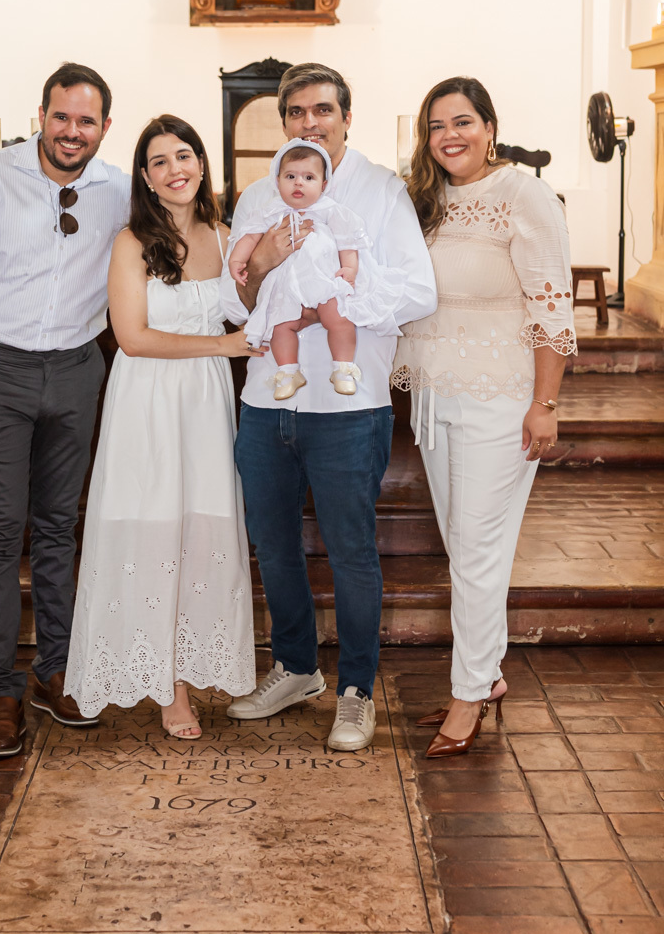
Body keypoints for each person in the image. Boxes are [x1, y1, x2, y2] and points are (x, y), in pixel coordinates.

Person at [0, 62, 130, 758]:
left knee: (60, 530)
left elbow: (172, 252)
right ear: (41, 115)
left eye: (86, 120)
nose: (72, 132)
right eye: (62, 117)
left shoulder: (118, 193)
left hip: (74, 371)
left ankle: (55, 671)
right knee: (2, 533)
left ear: (104, 127)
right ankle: (2, 690)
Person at [221, 63, 436, 751]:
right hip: (265, 400)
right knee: (275, 548)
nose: (308, 122)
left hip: (349, 406)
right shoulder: (261, 192)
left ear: (347, 117)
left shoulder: (378, 192)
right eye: (295, 113)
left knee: (350, 552)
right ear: (281, 121)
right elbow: (233, 298)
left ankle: (355, 690)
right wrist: (267, 265)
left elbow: (416, 291)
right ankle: (293, 669)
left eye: (322, 110)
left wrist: (327, 308)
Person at [392, 76, 576, 758]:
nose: (450, 136)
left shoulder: (519, 193)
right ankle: (486, 673)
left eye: (462, 121)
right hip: (437, 399)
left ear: (489, 127)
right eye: (437, 125)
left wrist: (544, 403)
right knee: (467, 547)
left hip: (499, 399)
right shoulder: (431, 201)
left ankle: (466, 695)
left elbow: (551, 306)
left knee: (474, 554)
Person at [64, 115, 259, 737]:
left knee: (198, 529)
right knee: (152, 525)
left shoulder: (227, 238)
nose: (176, 169)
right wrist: (226, 349)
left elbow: (249, 311)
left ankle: (192, 669)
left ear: (201, 163)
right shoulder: (131, 242)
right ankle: (166, 688)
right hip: (148, 399)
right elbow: (133, 338)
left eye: (185, 155)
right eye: (160, 161)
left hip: (204, 403)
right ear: (145, 179)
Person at [229, 140, 381, 400]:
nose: (298, 183)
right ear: (278, 182)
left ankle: (343, 368)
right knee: (281, 325)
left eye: (308, 177)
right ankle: (288, 372)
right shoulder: (272, 210)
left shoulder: (329, 210)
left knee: (339, 320)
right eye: (291, 176)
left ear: (323, 185)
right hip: (286, 283)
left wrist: (350, 269)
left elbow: (348, 241)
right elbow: (250, 235)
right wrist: (237, 260)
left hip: (322, 279)